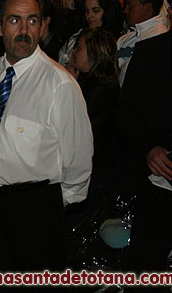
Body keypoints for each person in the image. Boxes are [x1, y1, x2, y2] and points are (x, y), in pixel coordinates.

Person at [0, 0, 92, 272]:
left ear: (42, 26)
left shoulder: (58, 83)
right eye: (15, 20)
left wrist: (49, 207)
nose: (24, 30)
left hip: (39, 209)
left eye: (32, 21)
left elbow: (79, 159)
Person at [118, 0, 172, 287]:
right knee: (145, 275)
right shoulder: (150, 52)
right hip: (159, 185)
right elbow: (127, 111)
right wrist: (149, 148)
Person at [65, 28, 120, 228]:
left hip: (95, 174)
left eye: (78, 48)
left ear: (94, 53)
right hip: (85, 170)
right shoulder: (91, 83)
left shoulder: (104, 88)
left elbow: (73, 118)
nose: (73, 54)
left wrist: (70, 83)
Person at [117, 0, 168, 84]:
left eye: (130, 6)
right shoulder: (125, 39)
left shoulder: (162, 41)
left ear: (147, 8)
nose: (125, 11)